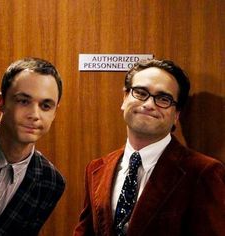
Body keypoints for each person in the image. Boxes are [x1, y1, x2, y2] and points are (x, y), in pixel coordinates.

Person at [73, 59, 225, 236]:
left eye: (163, 99)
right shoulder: (97, 169)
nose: (148, 104)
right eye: (140, 92)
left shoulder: (203, 172)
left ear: (176, 114)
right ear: (124, 98)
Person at [0, 57, 66, 235]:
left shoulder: (51, 182)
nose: (34, 115)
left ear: (54, 113)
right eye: (24, 101)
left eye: (46, 106)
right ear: (1, 102)